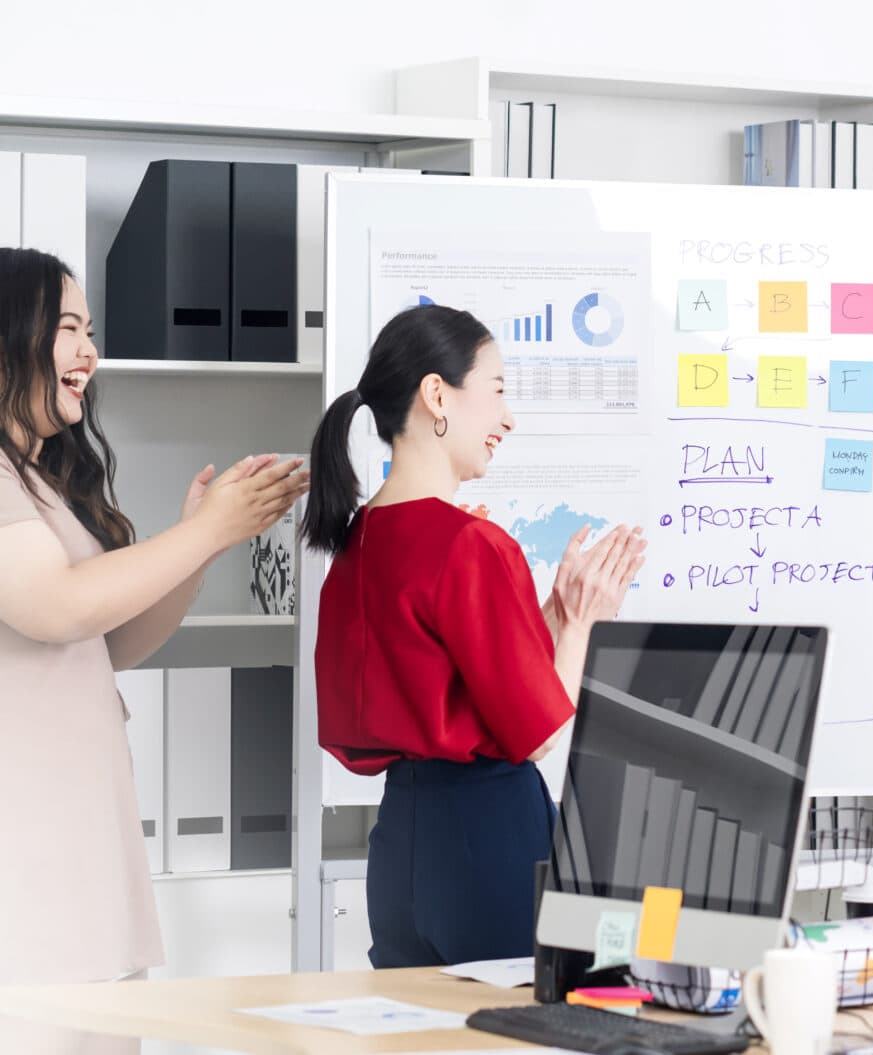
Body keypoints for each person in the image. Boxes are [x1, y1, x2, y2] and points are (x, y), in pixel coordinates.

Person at [0, 248, 306, 1049]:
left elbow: (114, 641)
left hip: (81, 860)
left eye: (90, 331)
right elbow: (57, 608)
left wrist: (205, 545)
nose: (88, 354)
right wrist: (205, 529)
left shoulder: (40, 484)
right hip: (30, 878)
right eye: (68, 328)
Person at [304, 305, 646, 968]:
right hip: (492, 839)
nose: (508, 418)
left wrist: (545, 616)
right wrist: (579, 621)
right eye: (496, 391)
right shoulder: (470, 544)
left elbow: (457, 687)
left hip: (400, 847)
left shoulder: (355, 544)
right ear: (438, 395)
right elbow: (539, 735)